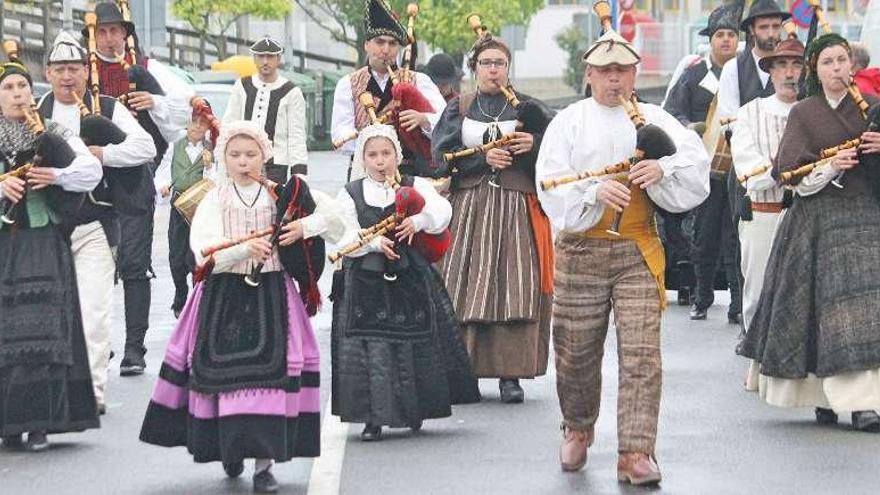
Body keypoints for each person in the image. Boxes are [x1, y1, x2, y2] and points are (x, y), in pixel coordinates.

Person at [535, 30, 709, 483]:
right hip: (580, 247)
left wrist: (661, 169)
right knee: (575, 352)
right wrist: (593, 190)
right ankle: (577, 425)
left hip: (637, 248)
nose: (614, 80)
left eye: (623, 71)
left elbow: (696, 171)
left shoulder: (655, 118)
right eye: (605, 71)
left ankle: (635, 451)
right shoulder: (568, 122)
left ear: (634, 74)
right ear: (589, 74)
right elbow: (549, 183)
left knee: (641, 355)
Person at [140, 121, 339, 492]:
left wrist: (303, 229)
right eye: (235, 155)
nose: (243, 162)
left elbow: (333, 218)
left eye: (251, 155)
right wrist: (242, 249)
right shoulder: (214, 198)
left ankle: (264, 464)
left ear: (264, 157)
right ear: (223, 158)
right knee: (227, 376)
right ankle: (230, 447)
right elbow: (201, 249)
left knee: (274, 376)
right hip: (223, 295)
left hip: (273, 292)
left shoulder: (280, 194)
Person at [738, 33, 880, 433]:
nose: (838, 69)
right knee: (819, 311)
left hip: (867, 218)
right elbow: (791, 176)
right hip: (817, 219)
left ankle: (865, 403)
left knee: (866, 313)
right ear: (816, 72)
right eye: (828, 62)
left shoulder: (872, 108)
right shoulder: (804, 113)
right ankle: (822, 396)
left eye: (842, 61)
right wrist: (832, 165)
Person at [332, 124, 480, 441]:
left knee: (414, 343)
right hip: (366, 280)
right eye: (372, 155)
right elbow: (340, 234)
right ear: (363, 158)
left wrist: (418, 220)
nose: (380, 161)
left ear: (396, 155)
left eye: (386, 153)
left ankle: (416, 410)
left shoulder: (417, 184)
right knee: (372, 348)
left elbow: (443, 211)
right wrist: (372, 244)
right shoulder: (350, 192)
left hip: (410, 274)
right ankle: (372, 418)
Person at [37, 31, 156, 413]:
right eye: (59, 69)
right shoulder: (35, 110)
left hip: (95, 223)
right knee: (49, 312)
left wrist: (103, 153)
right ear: (48, 72)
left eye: (73, 69)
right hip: (47, 228)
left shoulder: (106, 106)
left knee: (94, 310)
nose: (67, 76)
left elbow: (145, 147)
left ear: (85, 73)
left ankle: (92, 392)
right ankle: (53, 389)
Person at [431, 34, 554, 404]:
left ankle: (510, 375)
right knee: (462, 284)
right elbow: (441, 157)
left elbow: (558, 154)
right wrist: (483, 159)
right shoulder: (460, 107)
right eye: (486, 63)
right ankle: (461, 370)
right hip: (469, 204)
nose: (493, 70)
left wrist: (533, 145)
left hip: (516, 204)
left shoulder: (530, 109)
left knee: (513, 285)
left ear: (508, 67)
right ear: (475, 69)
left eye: (499, 63)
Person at [0, 57, 102, 450]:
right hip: (5, 246)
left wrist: (55, 175)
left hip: (43, 242)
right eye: (8, 89)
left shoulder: (52, 131)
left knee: (45, 331)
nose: (17, 94)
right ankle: (9, 425)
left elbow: (91, 171)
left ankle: (41, 421)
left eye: (22, 87)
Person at [85, 1, 191, 376]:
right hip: (91, 185)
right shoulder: (81, 72)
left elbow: (184, 117)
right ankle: (100, 345)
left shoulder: (146, 70)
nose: (110, 38)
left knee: (133, 263)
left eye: (116, 31)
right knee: (94, 268)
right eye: (103, 31)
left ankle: (134, 348)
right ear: (93, 34)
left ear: (126, 34)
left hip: (134, 180)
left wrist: (155, 101)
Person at [730, 38, 804, 390]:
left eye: (797, 65)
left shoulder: (813, 110)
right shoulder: (751, 112)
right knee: (758, 289)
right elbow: (747, 165)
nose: (790, 73)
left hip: (805, 213)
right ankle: (757, 362)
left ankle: (796, 369)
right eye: (783, 66)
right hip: (763, 210)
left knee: (801, 293)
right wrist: (784, 171)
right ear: (771, 71)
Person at [662, 4, 739, 308]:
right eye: (720, 34)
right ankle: (702, 294)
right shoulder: (693, 75)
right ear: (711, 40)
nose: (725, 40)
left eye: (731, 34)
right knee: (704, 236)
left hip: (738, 167)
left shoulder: (744, 75)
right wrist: (687, 128)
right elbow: (672, 110)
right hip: (704, 167)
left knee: (735, 238)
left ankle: (736, 300)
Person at [330, 0, 445, 177]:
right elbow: (340, 134)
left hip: (410, 171)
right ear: (366, 45)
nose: (386, 50)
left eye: (392, 44)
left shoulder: (419, 80)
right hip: (364, 172)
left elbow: (446, 122)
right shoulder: (348, 84)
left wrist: (424, 119)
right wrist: (372, 135)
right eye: (379, 42)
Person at [155, 104, 217, 317]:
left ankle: (196, 299)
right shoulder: (175, 146)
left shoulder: (212, 149)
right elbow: (164, 170)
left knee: (196, 255)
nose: (198, 127)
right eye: (194, 122)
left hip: (201, 208)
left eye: (203, 123)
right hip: (178, 206)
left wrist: (209, 166)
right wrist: (162, 185)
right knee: (175, 256)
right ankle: (180, 291)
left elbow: (215, 181)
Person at [222, 36, 309, 184]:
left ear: (278, 58)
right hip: (242, 161)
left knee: (273, 206)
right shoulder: (242, 85)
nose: (265, 61)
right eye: (261, 56)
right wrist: (224, 161)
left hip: (276, 165)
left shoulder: (291, 91)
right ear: (254, 59)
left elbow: (296, 136)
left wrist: (299, 175)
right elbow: (229, 124)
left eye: (270, 56)